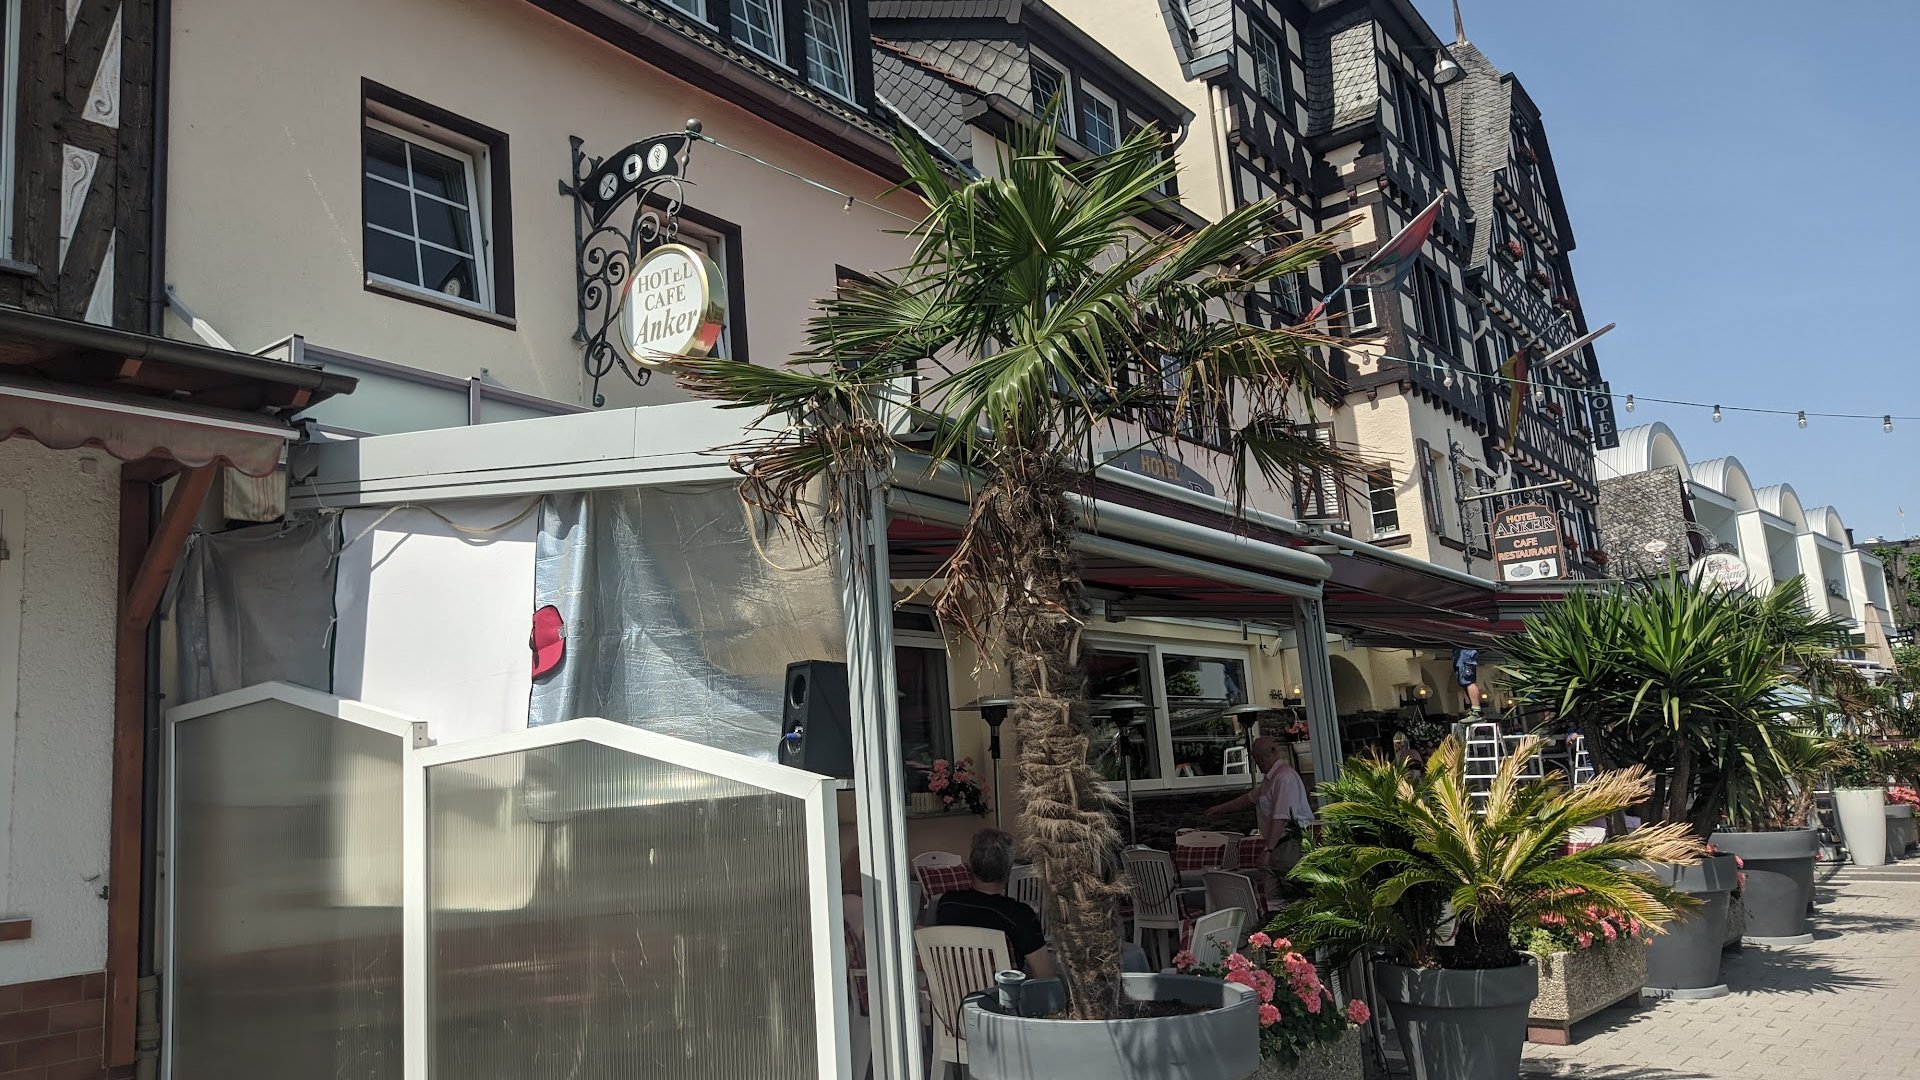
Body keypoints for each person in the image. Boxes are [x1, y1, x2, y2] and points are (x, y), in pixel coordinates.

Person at [934, 828, 1055, 977]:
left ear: (971, 865)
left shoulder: (947, 904)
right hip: (1001, 992)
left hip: (953, 991)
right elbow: (1044, 976)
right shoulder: (1020, 916)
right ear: (1008, 871)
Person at [1204, 735, 1315, 873]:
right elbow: (1249, 799)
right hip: (1281, 844)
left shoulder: (1284, 777)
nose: (1256, 763)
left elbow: (1281, 817)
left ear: (1260, 758)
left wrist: (1268, 850)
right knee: (1273, 883)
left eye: (1256, 759)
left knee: (1286, 883)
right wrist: (1220, 809)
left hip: (1290, 844)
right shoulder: (1270, 780)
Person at [1455, 648, 1483, 716]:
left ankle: (1476, 710)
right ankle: (1474, 709)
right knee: (1464, 681)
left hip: (1465, 652)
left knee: (1468, 681)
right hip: (1463, 652)